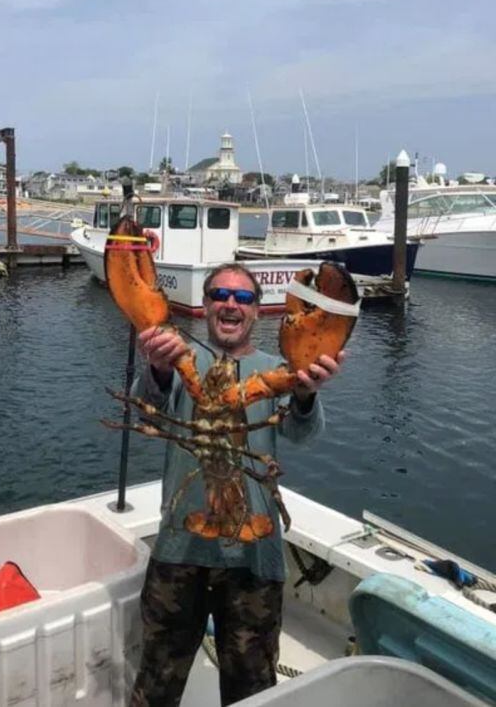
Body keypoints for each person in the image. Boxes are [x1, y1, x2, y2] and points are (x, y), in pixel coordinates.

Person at [129, 262, 345, 707]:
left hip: (253, 558)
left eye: (243, 298)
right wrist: (156, 367)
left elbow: (301, 434)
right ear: (205, 306)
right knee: (155, 684)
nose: (231, 304)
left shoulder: (280, 368)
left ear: (256, 310)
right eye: (220, 296)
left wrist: (304, 392)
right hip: (180, 551)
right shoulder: (180, 356)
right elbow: (147, 410)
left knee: (252, 693)